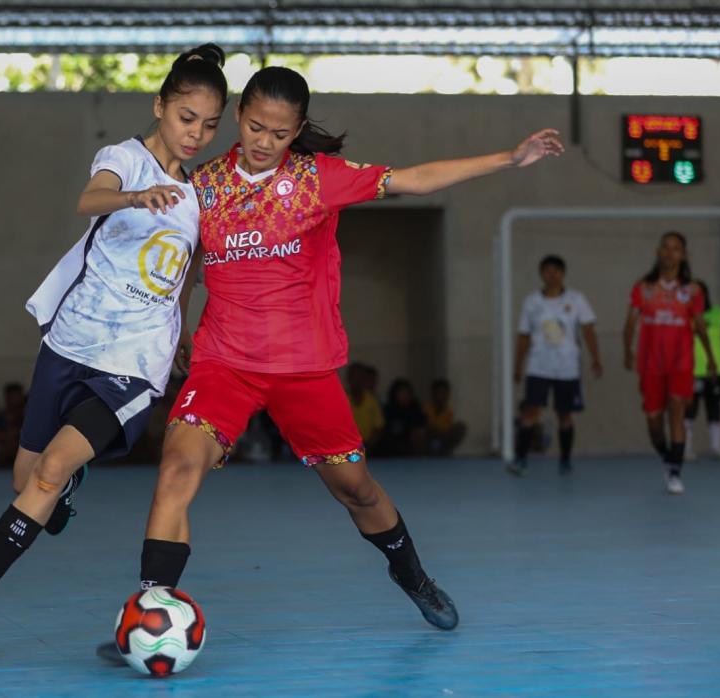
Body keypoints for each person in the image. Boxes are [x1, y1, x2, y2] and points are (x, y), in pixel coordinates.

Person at [99, 65, 563, 661]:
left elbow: (415, 179)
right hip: (224, 363)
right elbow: (189, 258)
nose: (266, 142)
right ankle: (150, 611)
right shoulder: (203, 184)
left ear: (297, 132)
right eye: (257, 127)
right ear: (239, 118)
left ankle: (413, 577)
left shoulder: (320, 180)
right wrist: (182, 320)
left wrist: (509, 157)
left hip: (303, 368)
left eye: (281, 133)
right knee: (176, 470)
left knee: (357, 490)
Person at [0, 45, 229, 631]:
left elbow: (188, 270)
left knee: (48, 471)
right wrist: (135, 197)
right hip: (71, 344)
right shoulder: (124, 158)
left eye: (210, 124)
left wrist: (183, 330)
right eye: (186, 118)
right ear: (161, 106)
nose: (197, 134)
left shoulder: (201, 197)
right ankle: (67, 488)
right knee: (29, 480)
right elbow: (88, 199)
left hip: (134, 361)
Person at [623, 231, 715, 495]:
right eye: (665, 247)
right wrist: (627, 350)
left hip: (681, 362)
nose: (670, 252)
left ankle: (675, 472)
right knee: (654, 422)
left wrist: (709, 357)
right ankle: (667, 455)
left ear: (683, 255)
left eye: (676, 248)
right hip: (650, 363)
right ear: (658, 252)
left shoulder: (692, 290)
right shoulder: (643, 287)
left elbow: (699, 325)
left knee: (677, 410)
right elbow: (630, 323)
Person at [511, 255, 602, 475]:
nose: (551, 275)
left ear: (563, 273)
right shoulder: (531, 302)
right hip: (538, 365)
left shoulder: (576, 299)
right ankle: (520, 459)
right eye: (547, 271)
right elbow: (523, 335)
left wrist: (595, 358)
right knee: (530, 412)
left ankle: (565, 460)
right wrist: (518, 365)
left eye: (556, 271)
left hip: (567, 366)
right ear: (541, 274)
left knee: (565, 414)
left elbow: (588, 330)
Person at [684, 280, 720, 459]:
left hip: (714, 370)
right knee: (689, 409)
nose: (694, 297)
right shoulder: (683, 315)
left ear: (704, 295)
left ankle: (716, 446)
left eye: (697, 293)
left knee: (715, 407)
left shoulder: (719, 314)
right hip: (691, 369)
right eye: (690, 294)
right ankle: (686, 448)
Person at [381, 378, 429, 457]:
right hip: (392, 448)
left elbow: (421, 428)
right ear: (394, 394)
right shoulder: (388, 410)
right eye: (401, 392)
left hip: (411, 447)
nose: (405, 395)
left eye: (407, 392)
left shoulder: (415, 408)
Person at [347, 362, 385, 455]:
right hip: (346, 449)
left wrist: (367, 446)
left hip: (370, 449)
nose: (357, 381)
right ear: (348, 379)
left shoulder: (372, 400)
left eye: (360, 377)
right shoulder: (341, 400)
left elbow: (379, 427)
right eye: (354, 377)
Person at [423, 379, 467, 456]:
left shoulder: (448, 412)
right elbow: (426, 426)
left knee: (460, 427)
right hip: (429, 439)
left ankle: (443, 451)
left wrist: (443, 432)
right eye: (440, 392)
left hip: (443, 439)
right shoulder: (426, 409)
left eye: (445, 393)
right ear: (434, 393)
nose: (442, 396)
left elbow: (447, 429)